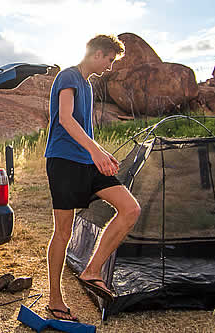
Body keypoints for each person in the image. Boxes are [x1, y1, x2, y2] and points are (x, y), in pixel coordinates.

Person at [43, 34, 141, 322]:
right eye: (109, 60)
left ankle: (92, 270)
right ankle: (54, 299)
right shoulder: (69, 77)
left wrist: (102, 154)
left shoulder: (87, 84)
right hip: (63, 162)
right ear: (98, 53)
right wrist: (96, 151)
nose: (109, 67)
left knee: (130, 208)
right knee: (63, 232)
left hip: (88, 162)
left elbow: (83, 128)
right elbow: (65, 119)